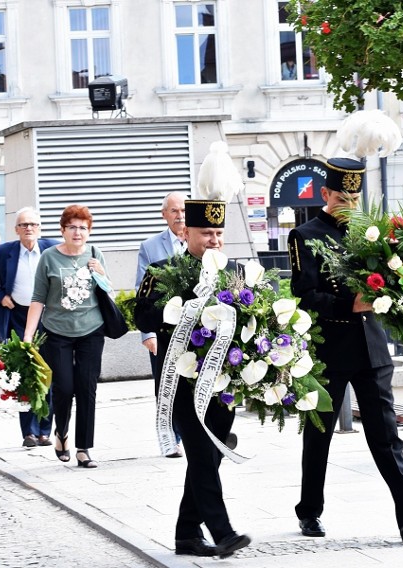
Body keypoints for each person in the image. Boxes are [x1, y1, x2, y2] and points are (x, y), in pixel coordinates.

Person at [287, 157, 403, 542]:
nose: (351, 207)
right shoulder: (304, 235)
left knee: (386, 435)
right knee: (319, 433)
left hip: (372, 349)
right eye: (343, 199)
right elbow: (304, 296)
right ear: (325, 194)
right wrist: (348, 304)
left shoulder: (372, 232)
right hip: (329, 350)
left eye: (356, 199)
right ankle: (309, 512)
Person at [134, 194, 250, 558]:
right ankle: (223, 531)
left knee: (211, 455)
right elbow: (141, 317)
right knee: (201, 453)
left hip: (222, 384)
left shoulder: (235, 273)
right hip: (182, 382)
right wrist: (177, 312)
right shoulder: (162, 271)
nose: (214, 240)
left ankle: (186, 533)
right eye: (206, 233)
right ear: (185, 233)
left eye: (218, 233)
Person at [23, 205, 109, 469]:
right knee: (64, 388)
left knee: (87, 388)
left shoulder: (95, 255)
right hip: (56, 331)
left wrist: (101, 274)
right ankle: (61, 433)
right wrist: (27, 337)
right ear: (62, 230)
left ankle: (84, 448)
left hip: (91, 330)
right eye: (72, 226)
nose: (77, 232)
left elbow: (109, 293)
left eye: (83, 227)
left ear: (89, 232)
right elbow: (38, 299)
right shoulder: (49, 258)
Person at [0, 207, 58, 447]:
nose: (28, 228)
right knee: (23, 373)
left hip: (48, 318)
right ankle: (28, 432)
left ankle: (44, 431)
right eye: (23, 225)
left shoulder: (52, 248)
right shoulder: (4, 252)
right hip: (17, 317)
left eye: (32, 224)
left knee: (47, 372)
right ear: (16, 229)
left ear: (39, 228)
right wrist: (0, 296)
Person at [135, 191, 187, 458]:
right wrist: (147, 332)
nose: (180, 216)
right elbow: (141, 291)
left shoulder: (199, 239)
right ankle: (170, 438)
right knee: (165, 384)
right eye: (174, 211)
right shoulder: (150, 246)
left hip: (194, 329)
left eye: (183, 210)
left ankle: (189, 433)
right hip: (163, 329)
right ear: (164, 214)